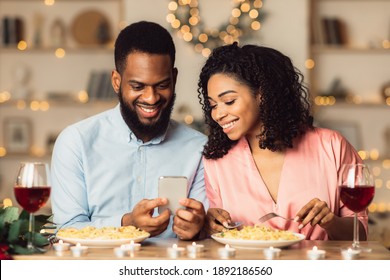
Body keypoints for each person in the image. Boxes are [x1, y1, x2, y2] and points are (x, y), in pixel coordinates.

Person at [51, 21, 208, 240]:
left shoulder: (199, 148)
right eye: (138, 86)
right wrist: (126, 225)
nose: (151, 98)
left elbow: (205, 230)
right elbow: (65, 230)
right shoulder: (76, 142)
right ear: (117, 81)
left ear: (174, 78)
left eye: (162, 85)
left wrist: (200, 228)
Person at [197, 42, 367, 240]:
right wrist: (211, 225)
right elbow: (219, 236)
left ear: (262, 94)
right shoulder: (218, 161)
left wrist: (331, 222)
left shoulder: (332, 146)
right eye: (212, 105)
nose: (218, 114)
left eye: (229, 101)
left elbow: (360, 234)